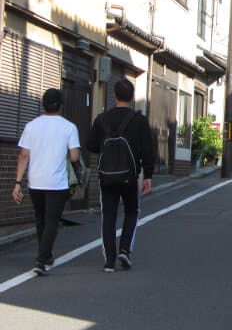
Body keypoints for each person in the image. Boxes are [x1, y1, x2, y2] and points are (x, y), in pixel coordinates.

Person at [87, 80, 154, 272]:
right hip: (129, 176)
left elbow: (91, 145)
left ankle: (109, 260)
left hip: (106, 176)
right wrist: (147, 175)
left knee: (108, 215)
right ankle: (124, 249)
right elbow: (147, 150)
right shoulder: (138, 120)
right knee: (132, 211)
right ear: (133, 97)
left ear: (114, 96)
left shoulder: (101, 120)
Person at [12, 89, 80, 276]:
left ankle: (46, 255)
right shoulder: (69, 127)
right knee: (52, 221)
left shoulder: (31, 126)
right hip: (56, 183)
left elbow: (23, 155)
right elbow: (74, 157)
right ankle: (41, 260)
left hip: (35, 182)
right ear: (61, 105)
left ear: (43, 104)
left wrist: (18, 182)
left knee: (41, 219)